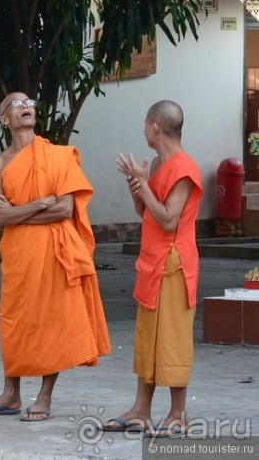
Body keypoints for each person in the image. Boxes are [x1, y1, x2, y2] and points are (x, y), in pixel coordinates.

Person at [0, 92, 110, 421]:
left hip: (54, 250)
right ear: (4, 119)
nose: (26, 107)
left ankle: (44, 397)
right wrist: (37, 204)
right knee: (13, 320)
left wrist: (18, 212)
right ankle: (10, 394)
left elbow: (64, 208)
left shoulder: (58, 156)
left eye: (30, 103)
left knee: (53, 321)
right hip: (19, 253)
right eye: (17, 105)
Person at [104, 100, 202, 436]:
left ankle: (178, 414)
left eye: (146, 124)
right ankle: (140, 410)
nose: (144, 130)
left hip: (174, 263)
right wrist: (138, 186)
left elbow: (169, 219)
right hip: (151, 262)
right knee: (148, 337)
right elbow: (147, 213)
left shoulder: (184, 167)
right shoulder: (160, 163)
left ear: (154, 128)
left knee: (172, 338)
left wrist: (145, 186)